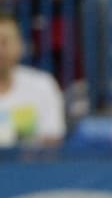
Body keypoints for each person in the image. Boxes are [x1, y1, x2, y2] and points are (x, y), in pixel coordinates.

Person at [0, 9, 64, 145]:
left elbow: (53, 140)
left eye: (4, 42)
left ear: (19, 45)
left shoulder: (43, 85)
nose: (0, 50)